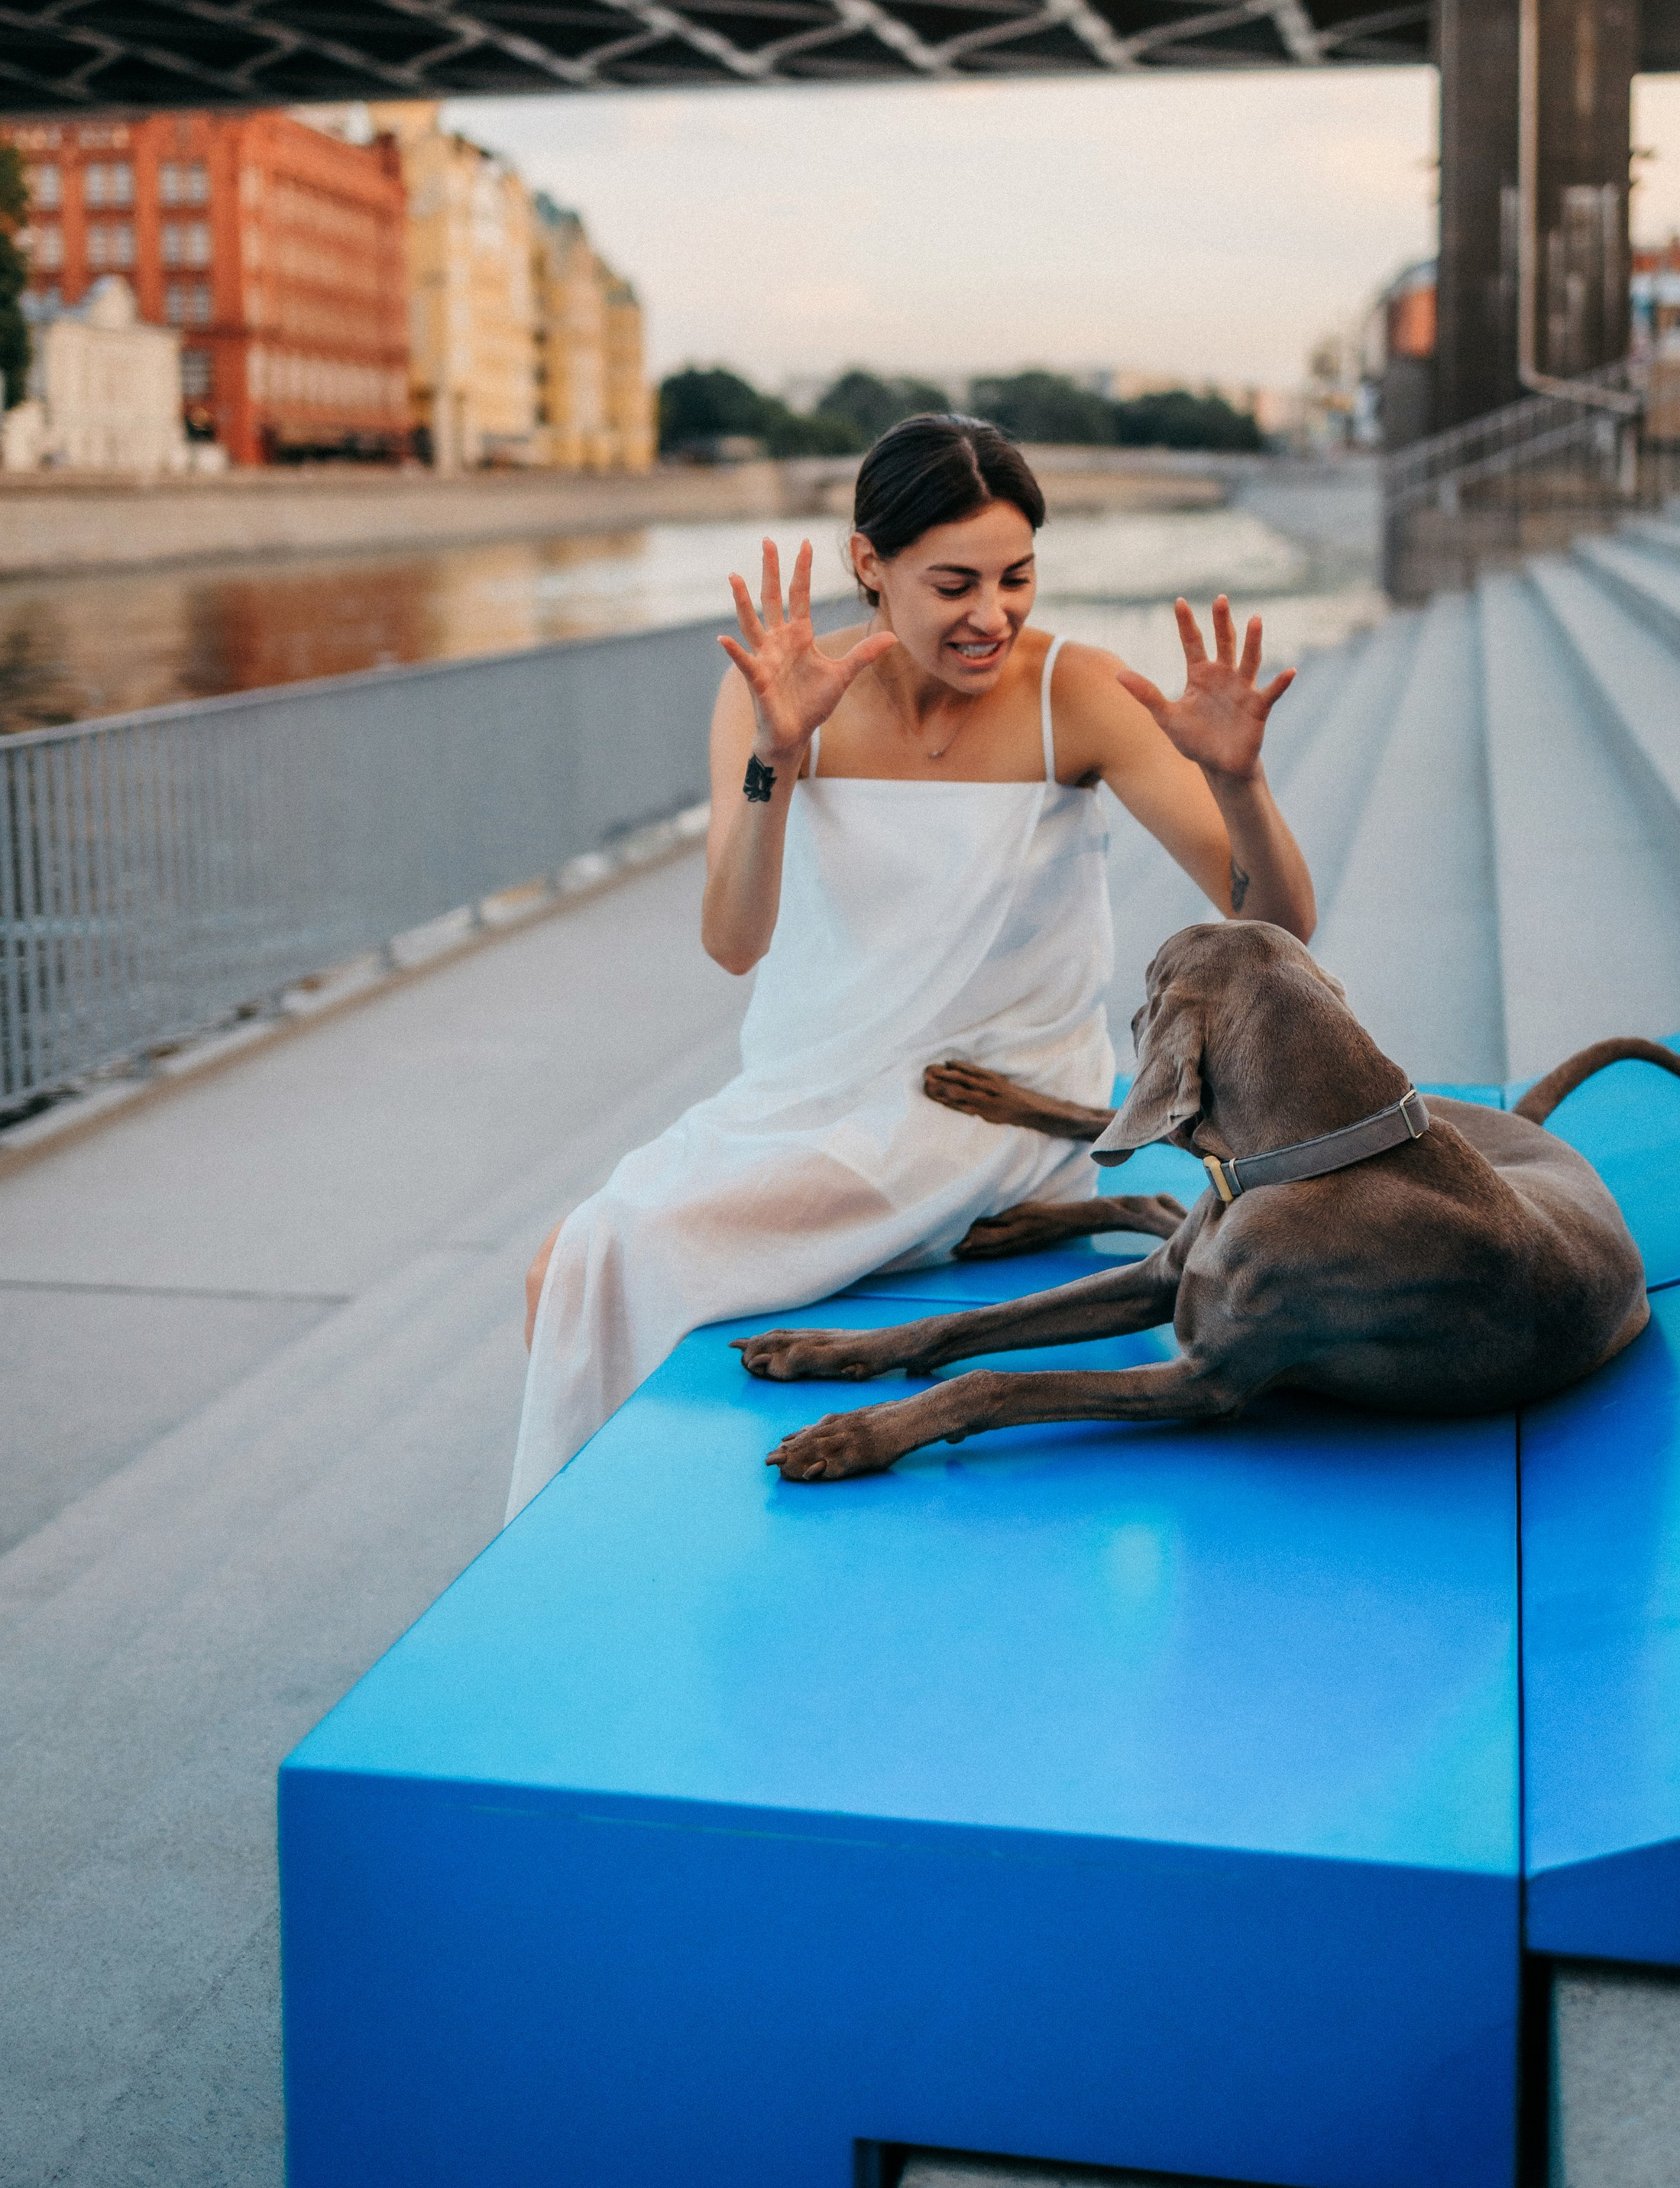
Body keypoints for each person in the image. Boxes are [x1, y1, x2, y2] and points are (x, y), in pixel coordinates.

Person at [507, 413, 1313, 1518]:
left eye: (1016, 577)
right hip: (807, 1090)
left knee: (614, 1248)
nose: (992, 615)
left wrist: (1239, 786)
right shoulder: (779, 695)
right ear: (868, 567)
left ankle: (591, 1535)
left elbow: (1275, 920)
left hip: (992, 1111)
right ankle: (575, 1542)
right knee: (560, 1268)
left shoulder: (1072, 694)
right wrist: (773, 759)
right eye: (954, 585)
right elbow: (733, 939)